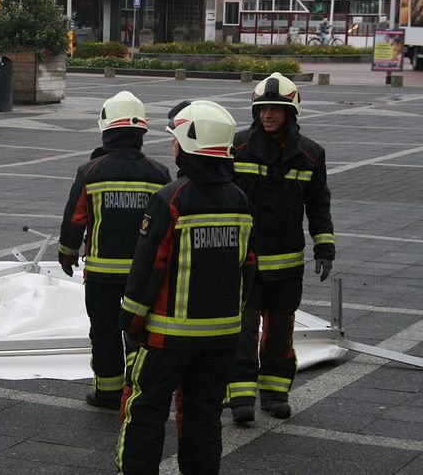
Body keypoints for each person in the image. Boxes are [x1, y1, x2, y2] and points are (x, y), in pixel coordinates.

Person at [116, 100, 256, 475]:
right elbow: (248, 267)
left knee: (144, 410)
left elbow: (147, 268)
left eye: (176, 139)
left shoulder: (171, 199)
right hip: (222, 337)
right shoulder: (240, 201)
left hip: (167, 337)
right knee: (203, 416)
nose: (173, 146)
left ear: (188, 145)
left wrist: (130, 319)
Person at [228, 72, 335, 423]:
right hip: (246, 261)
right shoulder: (238, 148)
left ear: (291, 112)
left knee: (280, 330)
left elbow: (318, 204)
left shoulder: (310, 155)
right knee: (243, 329)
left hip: (288, 265)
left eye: (274, 109)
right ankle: (240, 396)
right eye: (262, 109)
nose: (267, 115)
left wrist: (324, 247)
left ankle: (275, 393)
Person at [58, 91, 171, 410]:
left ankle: (107, 391)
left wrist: (66, 254)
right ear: (141, 132)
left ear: (106, 129)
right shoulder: (159, 173)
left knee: (104, 330)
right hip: (143, 273)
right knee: (140, 330)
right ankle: (137, 386)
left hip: (102, 273)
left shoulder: (90, 171)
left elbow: (75, 218)